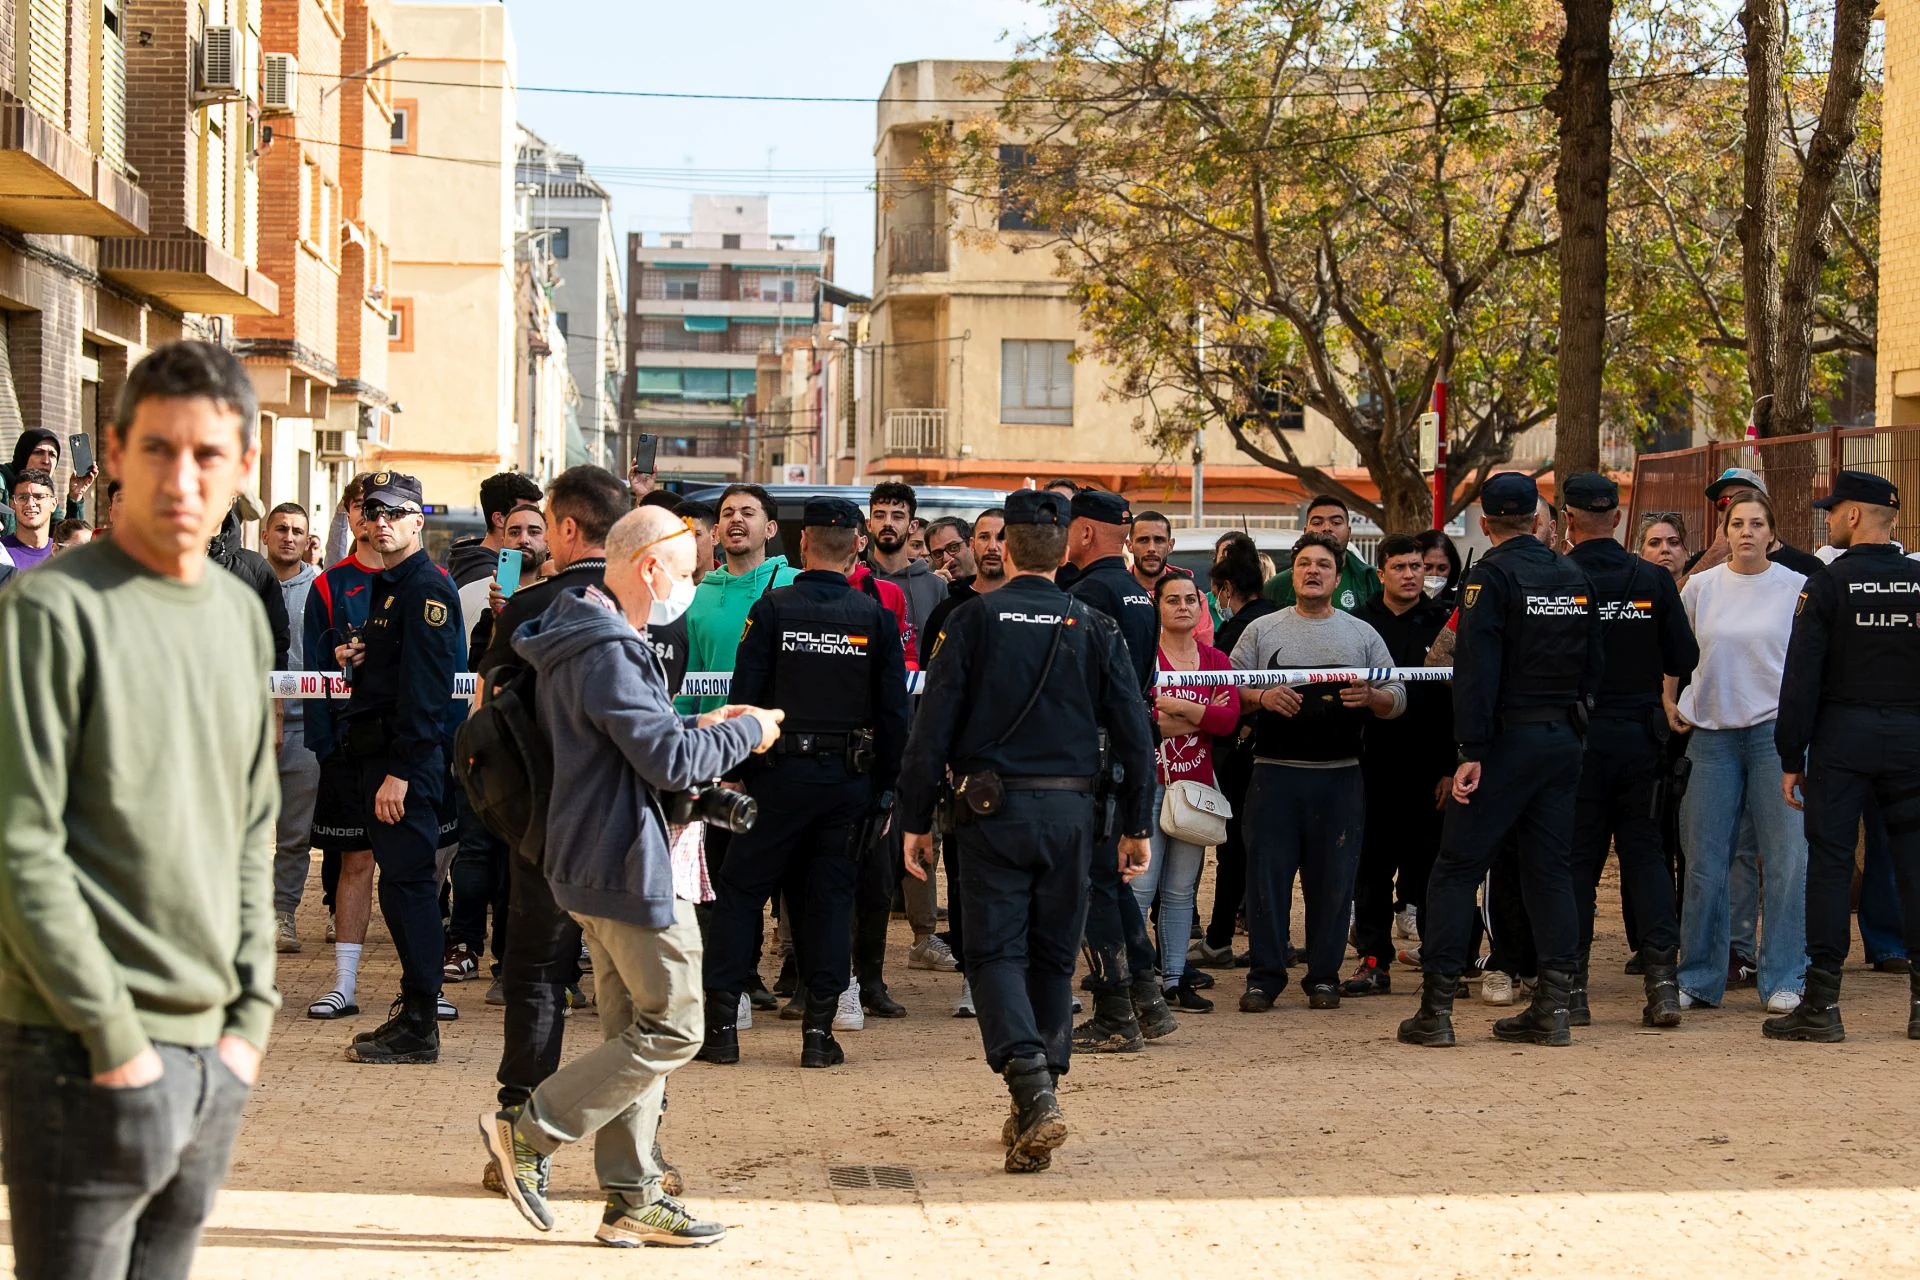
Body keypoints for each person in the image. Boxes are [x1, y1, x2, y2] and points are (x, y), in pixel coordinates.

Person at [0, 340, 274, 1280]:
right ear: (113, 454)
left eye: (208, 455)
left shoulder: (240, 615)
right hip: (79, 1054)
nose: (182, 479)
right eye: (159, 449)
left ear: (243, 468)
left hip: (212, 1057)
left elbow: (250, 827)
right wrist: (115, 1044)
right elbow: (19, 846)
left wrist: (250, 1024)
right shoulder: (50, 610)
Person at [479, 505, 780, 1247]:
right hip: (624, 862)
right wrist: (749, 730)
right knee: (677, 1027)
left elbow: (637, 742)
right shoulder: (606, 646)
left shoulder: (590, 635)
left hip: (595, 858)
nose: (691, 584)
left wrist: (700, 727)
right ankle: (530, 1132)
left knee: (634, 1029)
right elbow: (670, 764)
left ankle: (633, 1195)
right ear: (650, 567)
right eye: (684, 571)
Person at [900, 487, 1155, 1174]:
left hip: (992, 816)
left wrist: (914, 818)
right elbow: (1136, 731)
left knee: (994, 956)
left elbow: (932, 731)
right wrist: (1137, 823)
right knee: (1052, 956)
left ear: (1004, 546)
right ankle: (1037, 1097)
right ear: (1064, 543)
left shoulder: (973, 620)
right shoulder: (1092, 624)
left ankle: (1030, 1085)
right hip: (1076, 817)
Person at [476, 466, 651, 1175]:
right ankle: (639, 1157)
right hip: (632, 830)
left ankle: (519, 1131)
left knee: (538, 974)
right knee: (643, 998)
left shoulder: (526, 608)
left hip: (544, 824)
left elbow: (483, 720)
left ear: (569, 528)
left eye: (546, 524)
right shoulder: (644, 602)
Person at [698, 498, 911, 1069]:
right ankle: (819, 1034)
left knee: (741, 893)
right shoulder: (874, 618)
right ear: (855, 548)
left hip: (774, 779)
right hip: (847, 782)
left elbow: (743, 699)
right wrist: (886, 789)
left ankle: (721, 1027)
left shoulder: (772, 610)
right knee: (829, 900)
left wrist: (737, 776)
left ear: (804, 546)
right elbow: (895, 715)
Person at [1398, 472, 1602, 1049]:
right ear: (1539, 520)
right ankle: (1555, 1006)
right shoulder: (1573, 573)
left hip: (1505, 744)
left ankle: (1435, 1011)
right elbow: (1595, 664)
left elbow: (1475, 672)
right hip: (1562, 738)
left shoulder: (1489, 577)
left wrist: (1470, 751)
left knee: (1458, 868)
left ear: (1485, 525)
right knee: (1549, 871)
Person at [1769, 471, 1920, 1041]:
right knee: (1914, 863)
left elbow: (1800, 676)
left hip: (1843, 740)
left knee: (1830, 866)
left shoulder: (1828, 585)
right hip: (1911, 737)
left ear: (1854, 516)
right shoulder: (1919, 581)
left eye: (1833, 510)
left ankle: (1823, 1004)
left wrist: (1790, 755)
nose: (1827, 518)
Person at [1232, 533, 1405, 1011]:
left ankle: (1324, 977)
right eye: (1304, 563)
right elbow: (1228, 688)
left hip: (1341, 777)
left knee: (1333, 883)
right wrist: (1261, 697)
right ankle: (1264, 978)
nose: (1313, 571)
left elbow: (1398, 696)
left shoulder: (1362, 634)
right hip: (1274, 775)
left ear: (1337, 573)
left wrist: (1372, 698)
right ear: (1292, 573)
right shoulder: (1263, 631)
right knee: (1266, 880)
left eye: (1323, 565)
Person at [337, 471, 466, 1064]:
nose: (379, 521)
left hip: (403, 766)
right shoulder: (394, 585)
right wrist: (360, 661)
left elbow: (428, 694)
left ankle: (420, 1022)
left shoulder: (426, 588)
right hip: (385, 759)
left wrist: (403, 773)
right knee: (402, 886)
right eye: (372, 512)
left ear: (419, 521)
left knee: (411, 888)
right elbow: (396, 679)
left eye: (394, 512)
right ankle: (414, 1012)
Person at [1561, 474, 1697, 1028]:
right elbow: (1683, 656)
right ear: (1617, 519)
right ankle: (1663, 985)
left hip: (1576, 738)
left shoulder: (1558, 577)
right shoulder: (1652, 578)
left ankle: (1571, 987)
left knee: (1575, 865)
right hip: (1641, 737)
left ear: (1569, 520)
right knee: (1646, 858)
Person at [1665, 490, 1809, 1014]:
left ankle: (1785, 978)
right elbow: (1674, 649)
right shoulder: (1700, 587)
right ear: (1723, 533)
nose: (1746, 531)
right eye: (1737, 523)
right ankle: (1700, 977)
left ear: (1773, 533)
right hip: (1712, 735)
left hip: (1776, 738)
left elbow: (1812, 662)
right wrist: (1667, 695)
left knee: (1788, 860)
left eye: (1757, 523)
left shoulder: (1797, 588)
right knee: (1705, 861)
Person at [1064, 488, 1177, 1051]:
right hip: (1126, 751)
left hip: (1092, 754)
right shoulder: (1135, 592)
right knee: (1108, 882)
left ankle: (1115, 1013)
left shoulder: (1087, 594)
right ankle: (1148, 1001)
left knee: (1092, 887)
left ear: (1084, 533)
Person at [1344, 533, 1453, 996]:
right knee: (1370, 870)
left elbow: (1455, 703)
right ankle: (1373, 961)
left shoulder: (1443, 623)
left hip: (1431, 771)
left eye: (1418, 567)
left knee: (1433, 871)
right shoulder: (1357, 625)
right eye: (1401, 567)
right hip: (1371, 768)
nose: (1411, 575)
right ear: (1382, 571)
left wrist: (1453, 766)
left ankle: (1441, 964)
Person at [910, 506, 1010, 990]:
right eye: (985, 537)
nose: (992, 546)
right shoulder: (949, 612)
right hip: (966, 771)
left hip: (1030, 768)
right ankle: (975, 980)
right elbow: (933, 696)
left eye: (999, 537)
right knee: (968, 875)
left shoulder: (1041, 605)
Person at [1140, 573, 1238, 1010]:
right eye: (1172, 600)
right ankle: (1130, 979)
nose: (1182, 606)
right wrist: (1201, 712)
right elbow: (1145, 723)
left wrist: (1176, 706)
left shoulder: (1216, 658)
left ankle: (1174, 979)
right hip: (1149, 784)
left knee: (1181, 892)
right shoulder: (1145, 656)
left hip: (1195, 788)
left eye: (1189, 600)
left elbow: (1228, 721)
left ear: (1201, 609)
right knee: (1141, 889)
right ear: (1156, 606)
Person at [1192, 543, 1278, 969]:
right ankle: (1265, 941)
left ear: (1225, 588)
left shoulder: (1238, 630)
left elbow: (1221, 694)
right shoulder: (1281, 617)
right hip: (1281, 755)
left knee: (1235, 851)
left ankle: (1220, 937)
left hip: (1244, 756)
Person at [681, 483, 798, 715]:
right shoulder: (696, 596)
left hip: (783, 739)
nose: (736, 519)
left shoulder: (798, 585)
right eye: (728, 513)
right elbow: (686, 688)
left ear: (770, 529)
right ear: (716, 532)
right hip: (719, 739)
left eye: (747, 513)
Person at [265, 501, 322, 954]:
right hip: (246, 725)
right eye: (280, 528)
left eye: (296, 531)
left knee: (295, 833)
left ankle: (283, 915)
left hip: (305, 726)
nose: (288, 536)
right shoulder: (243, 580)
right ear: (265, 535)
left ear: (307, 540)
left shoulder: (320, 589)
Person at [450, 471, 546, 632]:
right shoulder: (487, 582)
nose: (534, 517)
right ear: (499, 519)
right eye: (526, 510)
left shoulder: (465, 562)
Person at [1686, 467, 1825, 578]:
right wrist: (1714, 554)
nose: (1733, 507)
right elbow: (1672, 605)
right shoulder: (1702, 562)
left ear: (1767, 503)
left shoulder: (1806, 567)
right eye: (1724, 502)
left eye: (1743, 497)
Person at [1262, 494, 1379, 612]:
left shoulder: (1374, 580)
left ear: (1349, 532)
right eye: (1317, 523)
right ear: (1305, 531)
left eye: (1336, 522)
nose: (1327, 528)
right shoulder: (1276, 587)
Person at [868, 482, 946, 633]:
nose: (887, 523)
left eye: (897, 516)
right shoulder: (855, 580)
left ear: (912, 526)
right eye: (879, 516)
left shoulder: (936, 587)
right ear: (869, 524)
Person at [1129, 509, 1213, 644]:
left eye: (1159, 540)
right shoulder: (1115, 592)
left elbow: (1200, 654)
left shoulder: (1193, 598)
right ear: (1129, 545)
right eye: (1143, 540)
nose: (1151, 548)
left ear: (1170, 545)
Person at [0, 427, 91, 538]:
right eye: (39, 453)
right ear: (23, 455)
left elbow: (65, 538)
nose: (46, 461)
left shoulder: (44, 492)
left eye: (52, 455)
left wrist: (75, 496)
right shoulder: (2, 480)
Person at [2, 468, 59, 572]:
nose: (30, 504)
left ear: (53, 503)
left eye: (39, 497)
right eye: (23, 497)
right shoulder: (2, 552)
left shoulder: (63, 554)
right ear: (12, 504)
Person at [1637, 513, 1689, 583]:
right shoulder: (1626, 592)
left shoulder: (1700, 592)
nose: (1665, 549)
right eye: (1654, 543)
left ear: (1686, 553)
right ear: (1641, 554)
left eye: (1674, 542)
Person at [925, 515, 973, 581]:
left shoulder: (991, 583)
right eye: (938, 554)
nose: (946, 559)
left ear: (972, 545)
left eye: (953, 547)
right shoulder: (935, 588)